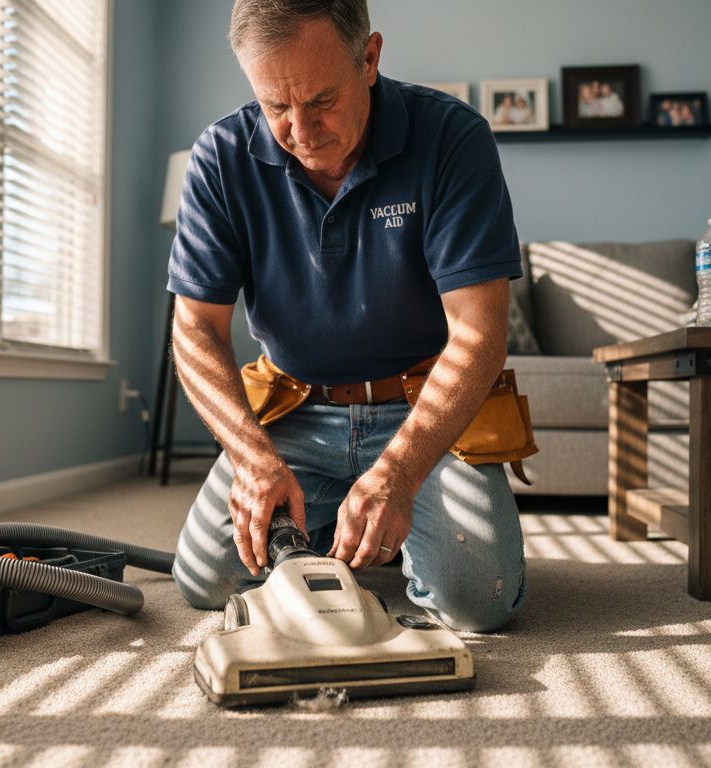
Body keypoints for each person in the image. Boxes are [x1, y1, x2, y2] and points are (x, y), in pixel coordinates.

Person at [167, 0, 527, 633]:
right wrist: (254, 461)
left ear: (369, 58)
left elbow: (479, 331)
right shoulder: (220, 157)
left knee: (478, 603)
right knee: (206, 582)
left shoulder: (452, 137)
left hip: (423, 409)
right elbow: (195, 328)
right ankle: (343, 525)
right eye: (276, 106)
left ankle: (377, 523)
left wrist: (400, 472)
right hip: (295, 407)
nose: (301, 130)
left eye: (321, 100)